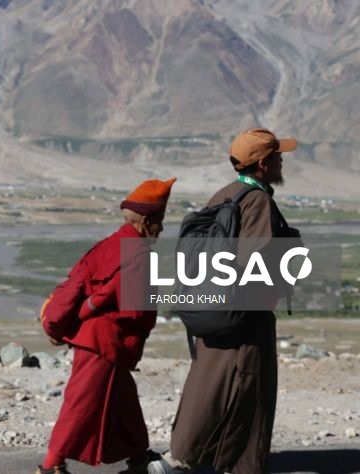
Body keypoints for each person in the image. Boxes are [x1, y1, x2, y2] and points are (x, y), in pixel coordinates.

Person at [148, 128, 300, 474]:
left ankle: (183, 455)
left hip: (211, 306)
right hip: (244, 316)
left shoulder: (223, 194)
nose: (281, 161)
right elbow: (255, 261)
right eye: (277, 156)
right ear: (263, 164)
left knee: (209, 384)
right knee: (249, 390)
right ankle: (236, 464)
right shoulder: (258, 200)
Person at [38, 178, 177, 474]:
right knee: (80, 404)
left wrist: (74, 320)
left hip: (95, 340)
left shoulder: (109, 245)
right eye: (159, 222)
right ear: (147, 221)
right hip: (104, 343)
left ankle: (139, 458)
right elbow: (136, 311)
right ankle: (51, 466)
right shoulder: (138, 254)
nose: (161, 229)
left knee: (124, 401)